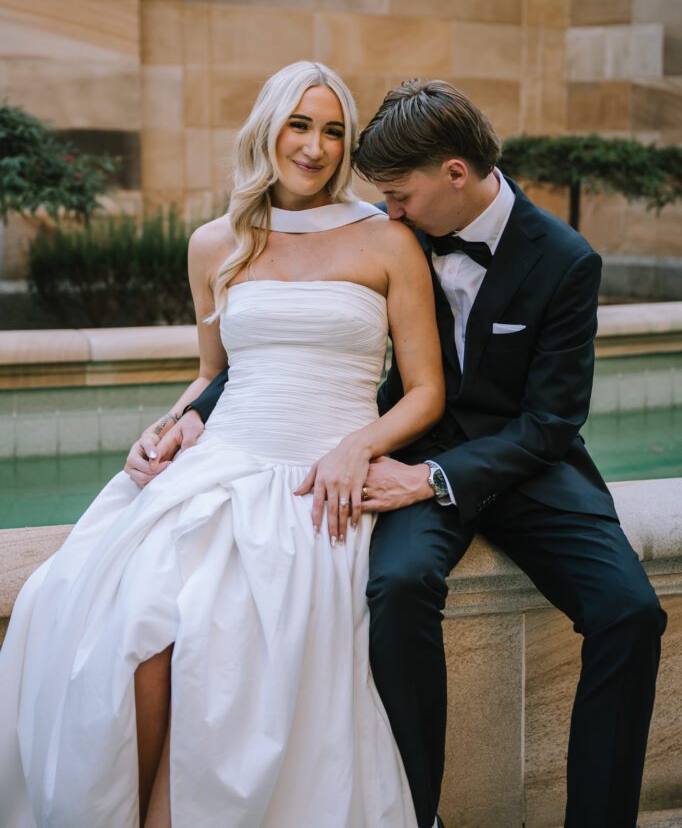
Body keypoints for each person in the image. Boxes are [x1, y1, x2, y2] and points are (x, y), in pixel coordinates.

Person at [156, 79, 667, 828]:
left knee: (632, 613)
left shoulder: (566, 260)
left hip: (523, 464)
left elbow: (551, 423)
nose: (387, 211)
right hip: (406, 446)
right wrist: (193, 413)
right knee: (394, 591)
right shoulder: (401, 232)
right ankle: (413, 811)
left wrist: (431, 480)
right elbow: (285, 342)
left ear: (454, 173)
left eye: (398, 195)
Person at [0, 62, 447, 828]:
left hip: (317, 484)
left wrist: (356, 448)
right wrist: (166, 427)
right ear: (267, 129)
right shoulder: (216, 243)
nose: (315, 146)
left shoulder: (388, 240)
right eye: (299, 125)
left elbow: (425, 391)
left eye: (333, 130)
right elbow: (213, 374)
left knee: (223, 642)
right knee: (117, 624)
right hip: (220, 463)